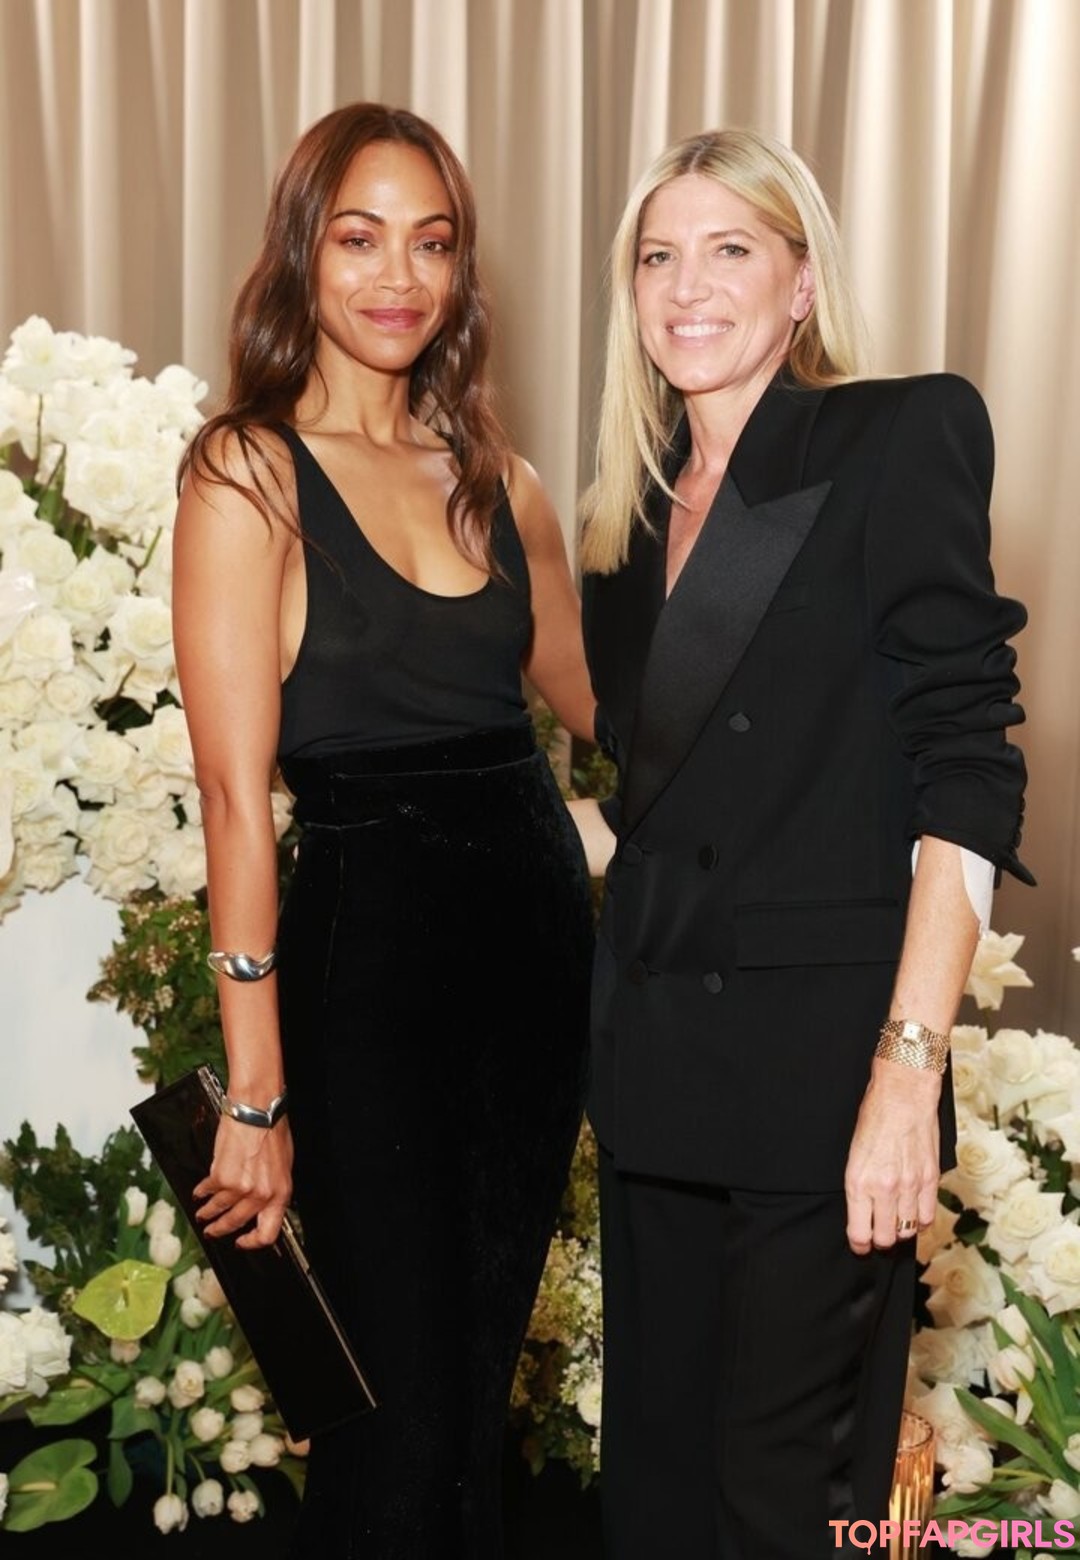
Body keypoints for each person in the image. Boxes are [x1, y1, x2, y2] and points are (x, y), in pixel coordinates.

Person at [568, 127, 1032, 1559]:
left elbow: (968, 777)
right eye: (659, 256)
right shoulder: (627, 523)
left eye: (731, 251)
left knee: (782, 1503)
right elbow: (660, 814)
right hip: (655, 1073)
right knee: (651, 1496)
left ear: (802, 283)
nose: (688, 287)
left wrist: (908, 1073)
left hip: (823, 1080)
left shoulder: (894, 439)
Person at [171, 102, 596, 1558]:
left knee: (473, 1403)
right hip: (368, 988)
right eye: (360, 238)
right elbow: (235, 797)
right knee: (388, 1422)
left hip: (533, 978)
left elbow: (615, 712)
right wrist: (255, 1093)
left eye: (433, 241)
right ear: (303, 254)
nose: (398, 276)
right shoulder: (247, 474)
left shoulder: (502, 485)